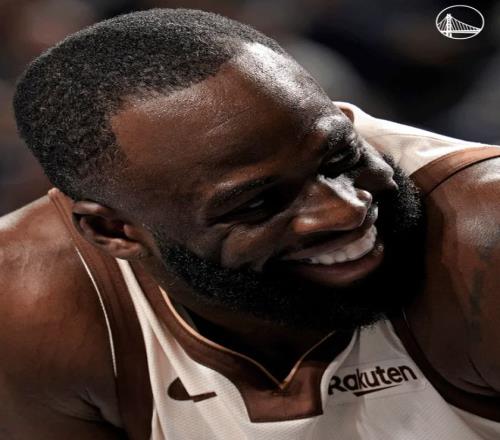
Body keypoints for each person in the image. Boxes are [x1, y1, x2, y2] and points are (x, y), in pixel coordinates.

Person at [2, 8, 499, 440]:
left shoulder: (484, 233)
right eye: (259, 203)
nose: (344, 210)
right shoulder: (30, 307)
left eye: (340, 157)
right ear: (114, 232)